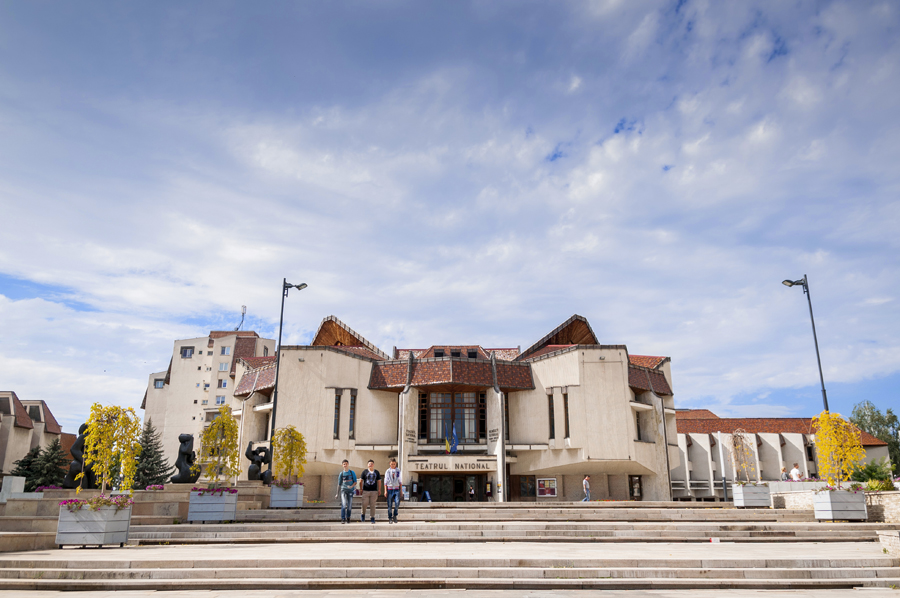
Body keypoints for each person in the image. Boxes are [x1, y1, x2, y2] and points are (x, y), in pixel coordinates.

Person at [359, 459, 381, 524]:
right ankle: (363, 514)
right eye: (369, 464)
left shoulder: (376, 472)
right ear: (367, 465)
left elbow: (379, 481)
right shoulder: (364, 472)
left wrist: (379, 489)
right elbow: (361, 480)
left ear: (373, 465)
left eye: (372, 464)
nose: (370, 465)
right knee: (364, 504)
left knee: (373, 505)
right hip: (366, 491)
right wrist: (361, 489)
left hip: (374, 491)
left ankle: (372, 518)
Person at [335, 459, 357, 524]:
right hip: (343, 490)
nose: (345, 465)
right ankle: (343, 518)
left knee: (349, 506)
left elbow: (355, 482)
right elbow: (339, 484)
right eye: (344, 464)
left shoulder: (352, 472)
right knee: (344, 505)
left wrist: (351, 487)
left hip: (350, 491)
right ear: (342, 465)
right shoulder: (341, 474)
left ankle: (348, 517)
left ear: (348, 464)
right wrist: (337, 493)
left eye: (346, 464)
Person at [383, 458, 401, 524]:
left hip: (396, 489)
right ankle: (390, 517)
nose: (393, 465)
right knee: (389, 504)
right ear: (389, 464)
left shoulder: (398, 471)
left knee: (397, 503)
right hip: (390, 489)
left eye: (394, 464)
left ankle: (395, 515)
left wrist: (401, 490)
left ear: (395, 464)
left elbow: (400, 480)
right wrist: (385, 491)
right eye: (391, 464)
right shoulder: (388, 471)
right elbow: (385, 482)